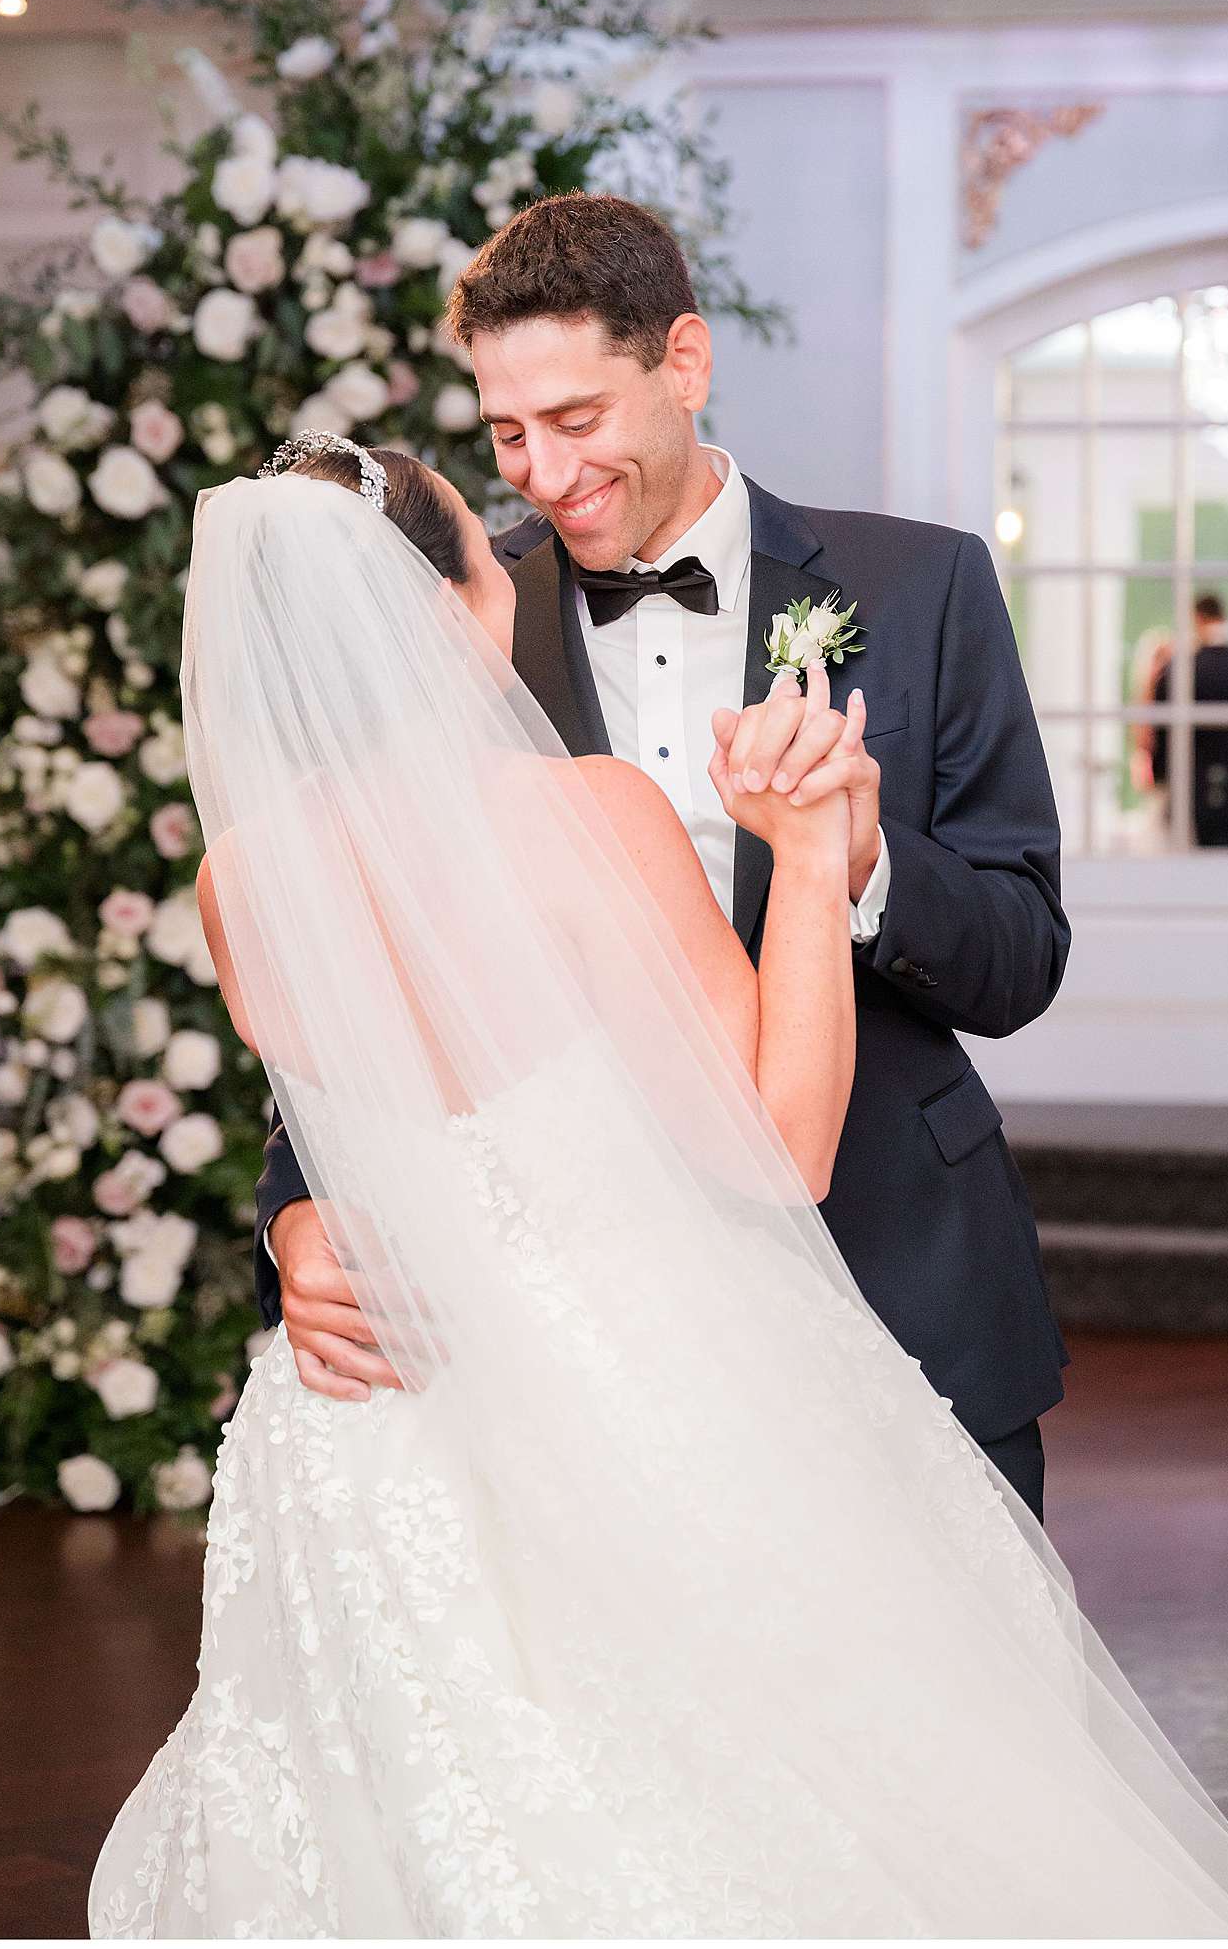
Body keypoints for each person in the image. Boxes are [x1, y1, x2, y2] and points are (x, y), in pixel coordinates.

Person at [90, 438, 1228, 1938]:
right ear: (437, 611)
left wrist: (299, 1216)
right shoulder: (587, 814)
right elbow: (779, 1146)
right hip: (634, 1369)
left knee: (420, 1790)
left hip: (370, 1426)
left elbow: (354, 1112)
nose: (517, 548)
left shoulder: (243, 879)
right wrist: (808, 858)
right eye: (486, 545)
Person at [256, 193, 1069, 1522]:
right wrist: (294, 1216)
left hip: (900, 1277)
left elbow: (1022, 955)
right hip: (583, 1345)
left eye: (578, 420)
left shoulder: (920, 589)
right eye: (509, 431)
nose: (544, 472)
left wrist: (863, 862)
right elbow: (361, 958)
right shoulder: (454, 618)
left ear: (683, 362)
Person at [1152, 594, 1228, 848]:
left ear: (1197, 619)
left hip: (1192, 791)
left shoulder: (1178, 671)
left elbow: (1163, 734)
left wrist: (1160, 776)